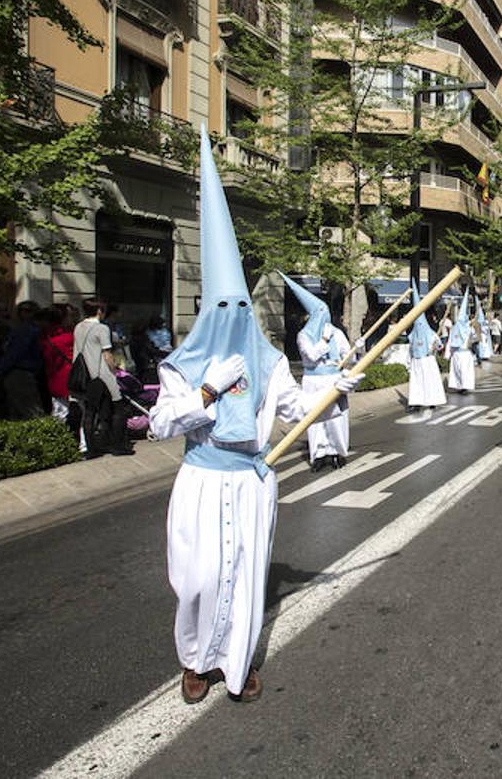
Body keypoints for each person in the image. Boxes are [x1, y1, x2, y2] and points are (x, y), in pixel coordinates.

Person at [150, 125, 360, 705]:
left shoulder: (267, 361)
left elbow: (296, 407)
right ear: (206, 313)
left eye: (241, 305)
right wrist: (207, 395)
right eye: (223, 306)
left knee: (246, 578)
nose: (234, 314)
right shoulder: (184, 366)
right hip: (200, 480)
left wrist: (336, 387)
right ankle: (194, 659)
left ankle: (234, 666)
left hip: (252, 478)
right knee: (196, 580)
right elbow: (161, 424)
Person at [281, 273, 355, 473]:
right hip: (313, 380)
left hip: (333, 379)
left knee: (336, 419)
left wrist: (356, 351)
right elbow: (311, 357)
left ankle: (337, 452)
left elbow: (347, 356)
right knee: (314, 420)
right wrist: (323, 340)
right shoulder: (304, 335)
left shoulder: (337, 333)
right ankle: (319, 454)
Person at [73, 297, 132, 457]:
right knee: (118, 409)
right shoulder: (102, 329)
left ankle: (91, 449)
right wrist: (116, 370)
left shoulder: (78, 327)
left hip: (87, 376)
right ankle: (117, 446)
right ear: (99, 311)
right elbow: (107, 354)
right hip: (103, 374)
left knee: (90, 412)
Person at [0, 300, 46, 419]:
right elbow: (13, 353)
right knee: (24, 412)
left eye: (29, 311)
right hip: (19, 372)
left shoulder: (30, 330)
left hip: (25, 373)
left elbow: (14, 352)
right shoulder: (24, 330)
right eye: (22, 311)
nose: (25, 314)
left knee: (26, 412)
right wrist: (0, 371)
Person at [407, 283, 447, 410]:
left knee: (429, 381)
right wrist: (409, 362)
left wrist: (436, 346)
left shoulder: (431, 334)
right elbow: (410, 349)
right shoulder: (412, 335)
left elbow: (439, 345)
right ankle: (416, 403)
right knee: (416, 383)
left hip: (428, 360)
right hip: (416, 361)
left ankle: (431, 401)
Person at [37, 304, 76, 435]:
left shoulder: (45, 337)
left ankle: (57, 439)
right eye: (70, 315)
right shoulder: (69, 337)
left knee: (59, 411)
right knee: (72, 411)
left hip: (54, 379)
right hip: (70, 378)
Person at [446, 294, 476, 393]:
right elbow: (450, 341)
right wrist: (448, 354)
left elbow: (475, 337)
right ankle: (459, 386)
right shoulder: (454, 329)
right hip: (456, 353)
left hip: (465, 353)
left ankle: (465, 387)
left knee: (464, 372)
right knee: (456, 371)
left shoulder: (468, 329)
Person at [475, 297, 494, 363]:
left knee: (485, 345)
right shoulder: (482, 323)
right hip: (482, 335)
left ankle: (485, 355)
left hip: (484, 336)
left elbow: (488, 326)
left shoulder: (485, 323)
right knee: (482, 345)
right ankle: (482, 355)